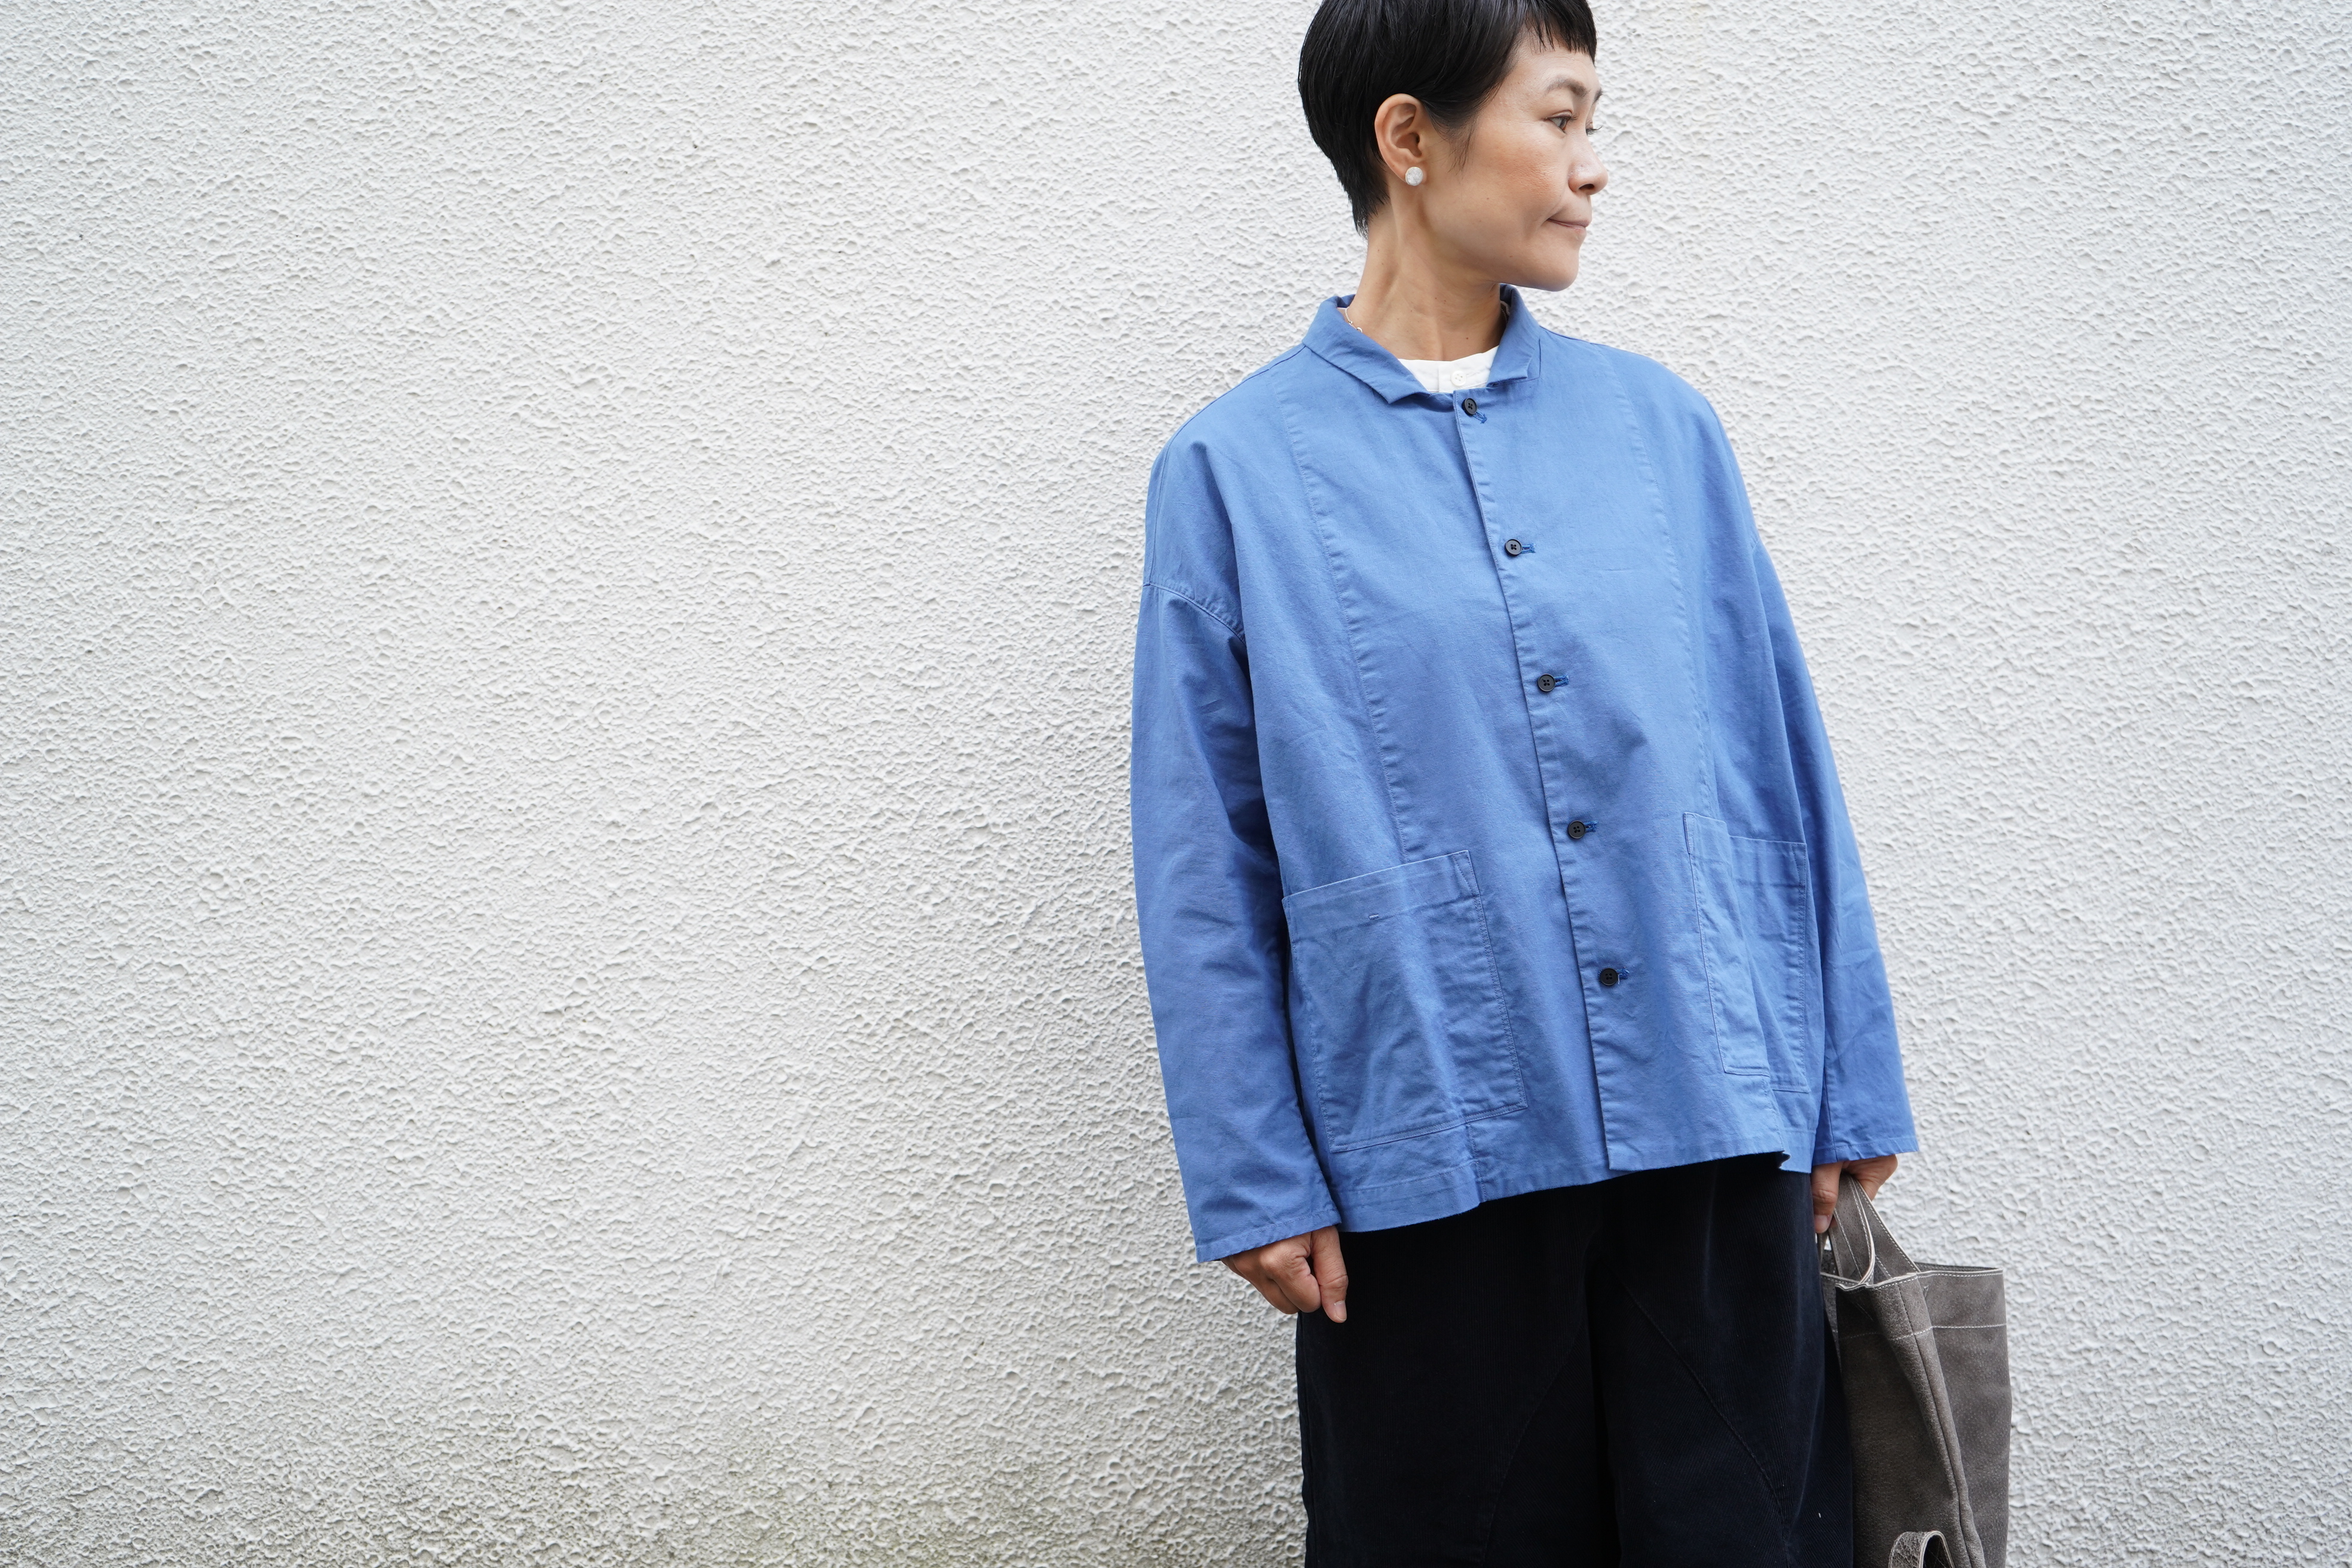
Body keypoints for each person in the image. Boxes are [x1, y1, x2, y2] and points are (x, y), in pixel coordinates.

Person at [1127, 0, 1917, 1561]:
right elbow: (1202, 855)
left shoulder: (1662, 431)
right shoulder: (1235, 471)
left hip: (1712, 1127)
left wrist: (1851, 1078)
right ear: (1409, 139)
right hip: (1430, 1158)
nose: (1592, 164)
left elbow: (1780, 765)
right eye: (1558, 117)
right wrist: (1253, 1172)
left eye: (1593, 122)